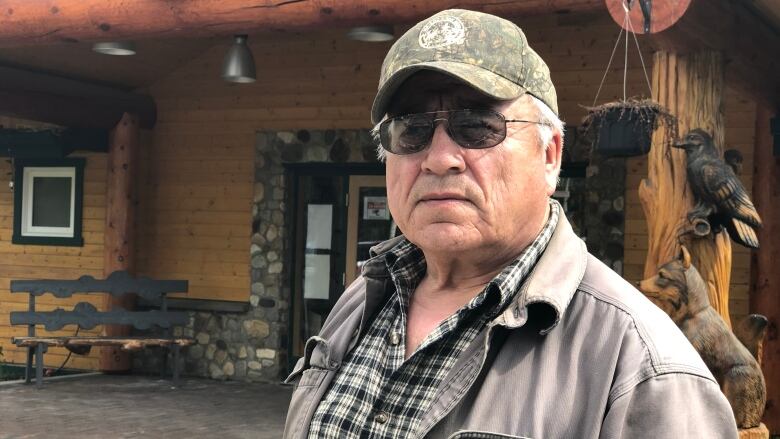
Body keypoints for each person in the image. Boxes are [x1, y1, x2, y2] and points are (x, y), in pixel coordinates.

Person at [284, 9, 738, 439]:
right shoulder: (363, 296)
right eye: (411, 129)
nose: (440, 159)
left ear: (549, 155)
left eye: (479, 125)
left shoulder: (643, 368)